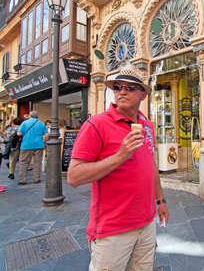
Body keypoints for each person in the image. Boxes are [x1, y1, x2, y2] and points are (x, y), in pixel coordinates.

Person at [67, 64, 169, 271]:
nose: (122, 91)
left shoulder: (146, 125)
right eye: (118, 87)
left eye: (130, 87)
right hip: (112, 230)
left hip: (146, 223)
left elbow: (151, 165)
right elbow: (74, 177)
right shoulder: (96, 125)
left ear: (142, 95)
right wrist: (120, 156)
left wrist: (160, 201)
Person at [17, 111, 48, 184]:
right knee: (37, 163)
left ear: (30, 116)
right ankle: (36, 179)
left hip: (26, 145)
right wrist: (45, 143)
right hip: (39, 145)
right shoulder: (41, 123)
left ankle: (22, 180)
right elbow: (46, 134)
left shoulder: (25, 123)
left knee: (23, 163)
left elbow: (19, 133)